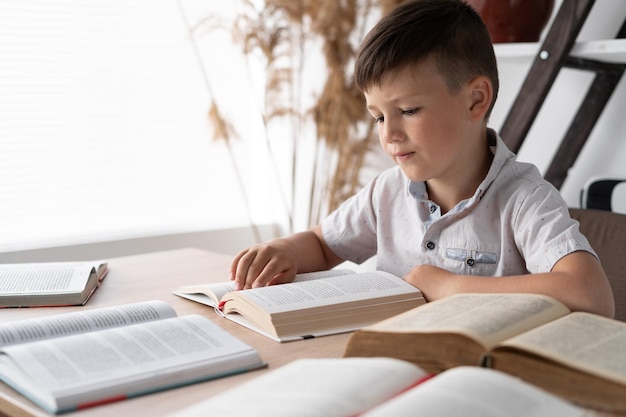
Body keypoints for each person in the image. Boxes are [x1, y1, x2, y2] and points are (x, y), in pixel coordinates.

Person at [229, 0, 615, 318]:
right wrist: (285, 250)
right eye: (378, 116)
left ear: (476, 100)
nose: (389, 134)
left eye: (409, 110)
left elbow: (590, 295)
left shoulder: (525, 199)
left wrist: (450, 287)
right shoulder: (387, 192)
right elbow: (323, 243)